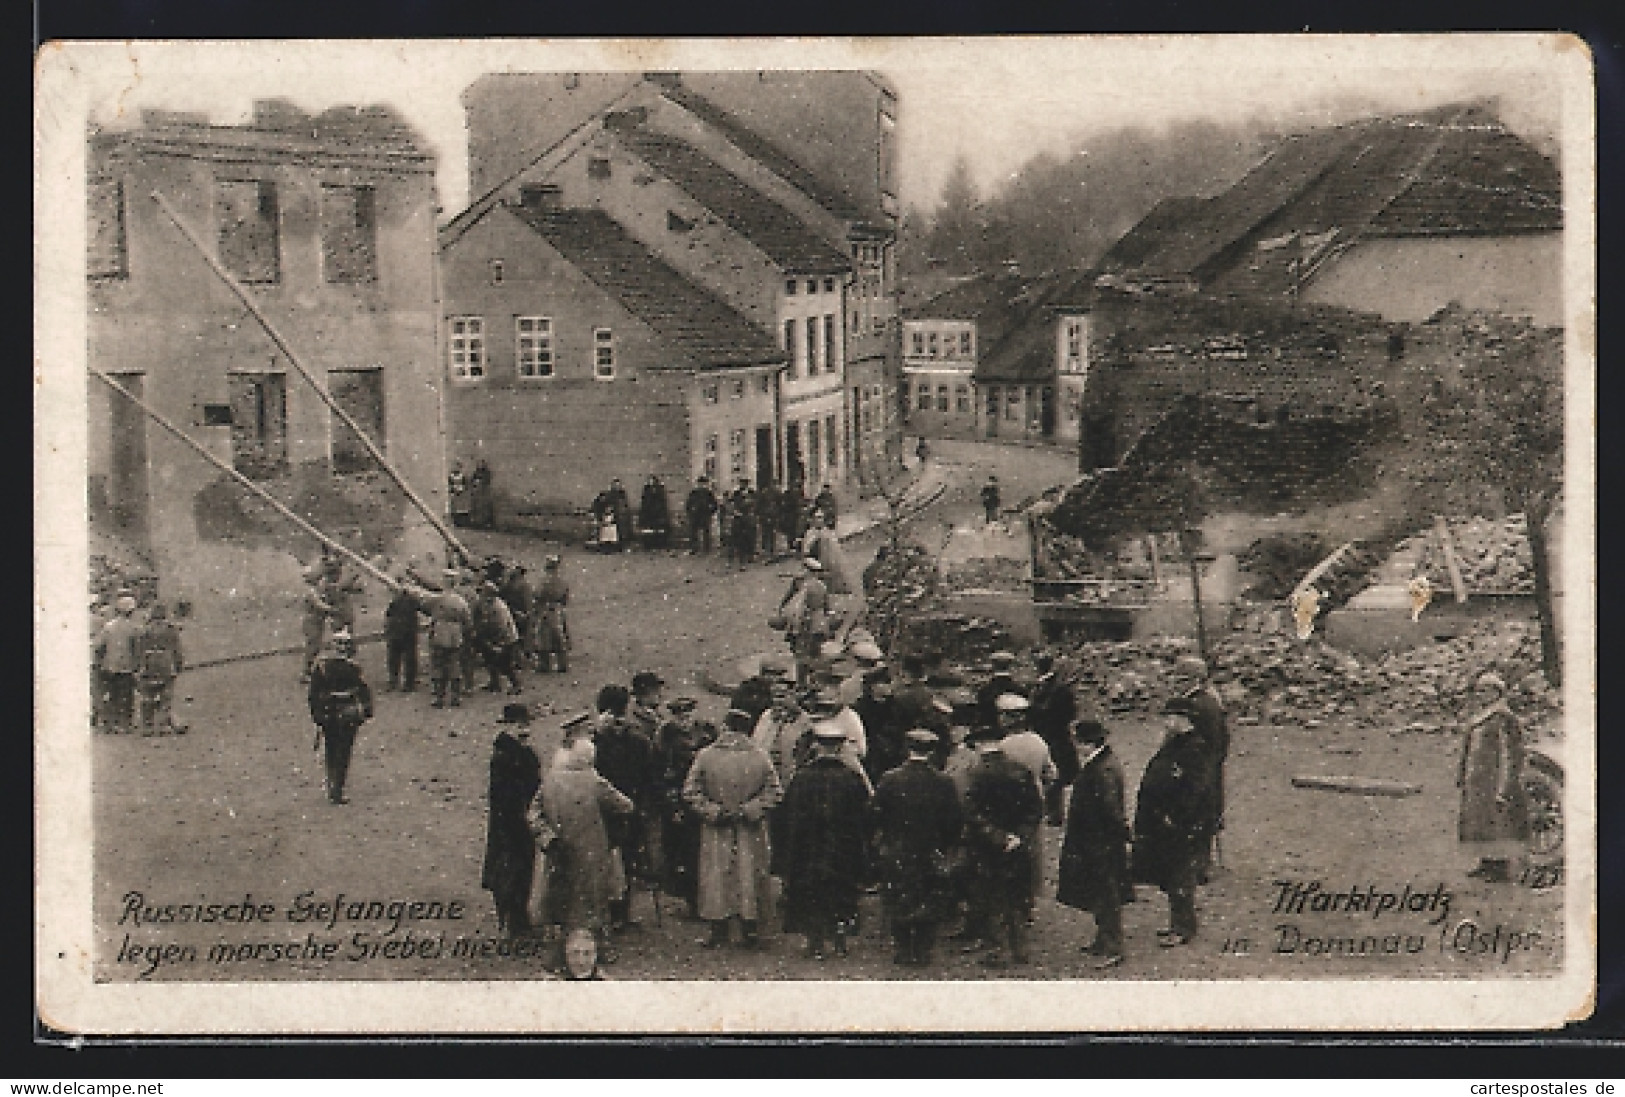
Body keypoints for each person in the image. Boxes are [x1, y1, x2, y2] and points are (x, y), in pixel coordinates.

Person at [683, 708, 782, 949]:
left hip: (717, 828)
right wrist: (750, 809)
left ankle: (719, 931)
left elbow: (690, 791)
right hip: (751, 828)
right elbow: (775, 791)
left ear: (725, 726)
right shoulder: (760, 756)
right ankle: (750, 930)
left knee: (717, 877)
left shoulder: (706, 756)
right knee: (749, 877)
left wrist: (713, 811)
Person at [1132, 696, 1223, 946]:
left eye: (1170, 717)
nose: (1166, 722)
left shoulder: (1194, 749)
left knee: (1180, 876)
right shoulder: (1176, 744)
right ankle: (1179, 924)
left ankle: (1183, 928)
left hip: (1181, 825)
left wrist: (1175, 817)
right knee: (1172, 874)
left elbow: (1196, 790)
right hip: (1166, 822)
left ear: (1184, 720)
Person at [535, 736, 635, 963]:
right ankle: (597, 948)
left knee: (562, 899)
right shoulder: (594, 781)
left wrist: (547, 838)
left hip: (558, 851)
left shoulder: (550, 780)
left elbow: (534, 814)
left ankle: (561, 948)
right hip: (591, 852)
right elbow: (625, 805)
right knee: (594, 901)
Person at [777, 724, 873, 960]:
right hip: (842, 849)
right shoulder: (852, 779)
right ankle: (840, 941)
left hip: (808, 849)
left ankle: (815, 941)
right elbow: (866, 815)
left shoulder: (801, 778)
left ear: (817, 746)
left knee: (811, 892)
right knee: (841, 892)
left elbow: (785, 815)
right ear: (840, 747)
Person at [870, 728, 963, 967]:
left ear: (907, 748)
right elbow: (953, 820)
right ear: (931, 752)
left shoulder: (890, 779)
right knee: (929, 897)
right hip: (930, 849)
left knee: (899, 895)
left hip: (898, 847)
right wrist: (945, 845)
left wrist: (883, 839)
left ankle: (903, 949)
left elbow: (875, 814)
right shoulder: (944, 782)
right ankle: (923, 949)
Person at [962, 719, 1044, 966]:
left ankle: (997, 951)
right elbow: (1035, 808)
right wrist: (1019, 836)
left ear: (978, 745)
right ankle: (1021, 950)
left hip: (988, 846)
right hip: (1018, 845)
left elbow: (972, 813)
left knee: (991, 897)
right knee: (1017, 897)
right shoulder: (1020, 770)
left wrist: (997, 836)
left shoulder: (974, 774)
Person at [1056, 718, 1131, 968]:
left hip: (1100, 844)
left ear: (1085, 743)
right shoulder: (1100, 764)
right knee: (1101, 893)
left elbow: (1110, 812)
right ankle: (1103, 939)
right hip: (1096, 842)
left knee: (1107, 895)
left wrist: (1114, 838)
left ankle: (1113, 946)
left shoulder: (1102, 770)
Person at [1457, 672, 1530, 883]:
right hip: (1478, 780)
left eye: (1485, 690)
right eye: (1479, 691)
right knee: (1480, 823)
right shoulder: (1481, 717)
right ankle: (1485, 863)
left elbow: (1511, 753)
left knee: (1498, 823)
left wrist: (1504, 785)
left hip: (1494, 779)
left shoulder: (1503, 717)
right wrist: (1463, 774)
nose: (1480, 695)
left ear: (1496, 692)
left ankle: (1500, 868)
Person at [592, 684, 652, 932]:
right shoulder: (638, 739)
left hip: (602, 809)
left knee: (604, 859)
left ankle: (607, 911)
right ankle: (622, 913)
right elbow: (649, 775)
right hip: (631, 805)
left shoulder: (594, 742)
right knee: (628, 858)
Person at [482, 704, 543, 939]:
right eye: (519, 725)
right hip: (510, 824)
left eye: (526, 724)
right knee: (511, 871)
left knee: (521, 869)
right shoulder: (505, 757)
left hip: (518, 821)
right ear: (508, 726)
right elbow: (506, 795)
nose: (524, 729)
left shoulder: (519, 752)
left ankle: (518, 917)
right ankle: (513, 920)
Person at [991, 693, 1058, 901]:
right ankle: (1030, 896)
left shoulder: (1003, 747)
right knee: (1033, 851)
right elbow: (1052, 775)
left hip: (1008, 806)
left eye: (1003, 715)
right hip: (1035, 804)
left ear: (1012, 719)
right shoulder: (1038, 742)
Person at [654, 702, 713, 917]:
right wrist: (672, 806)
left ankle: (699, 903)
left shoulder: (705, 734)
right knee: (681, 855)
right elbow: (664, 776)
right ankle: (690, 902)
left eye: (688, 715)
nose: (685, 720)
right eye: (681, 716)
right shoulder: (667, 739)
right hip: (679, 803)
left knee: (695, 855)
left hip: (695, 802)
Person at [307, 630, 373, 805]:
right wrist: (318, 715)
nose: (341, 649)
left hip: (342, 713)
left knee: (341, 751)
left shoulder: (349, 667)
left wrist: (366, 710)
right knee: (336, 750)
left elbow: (363, 690)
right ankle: (335, 786)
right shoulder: (325, 667)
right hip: (335, 713)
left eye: (345, 645)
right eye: (339, 644)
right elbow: (314, 694)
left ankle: (336, 786)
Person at [1029, 653, 1081, 821]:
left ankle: (1053, 811)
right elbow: (1071, 713)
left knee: (1050, 773)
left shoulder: (1038, 687)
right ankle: (1055, 811)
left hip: (1046, 734)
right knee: (1056, 773)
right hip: (1058, 735)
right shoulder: (1060, 688)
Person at [93, 590, 143, 732]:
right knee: (126, 696)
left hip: (109, 666)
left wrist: (102, 659)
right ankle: (125, 724)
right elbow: (137, 649)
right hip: (127, 666)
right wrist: (137, 665)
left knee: (111, 694)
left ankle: (110, 723)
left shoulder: (109, 626)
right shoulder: (134, 628)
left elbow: (98, 646)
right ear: (131, 611)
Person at [425, 570, 474, 708]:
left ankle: (439, 698)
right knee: (454, 666)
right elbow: (467, 621)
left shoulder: (438, 599)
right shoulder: (461, 601)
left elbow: (427, 608)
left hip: (440, 633)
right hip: (455, 635)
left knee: (438, 666)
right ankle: (455, 697)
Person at [134, 602, 185, 735]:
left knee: (148, 696)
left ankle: (147, 726)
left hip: (149, 663)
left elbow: (139, 649)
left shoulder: (144, 630)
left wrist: (139, 666)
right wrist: (179, 665)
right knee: (166, 696)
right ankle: (162, 725)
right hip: (166, 664)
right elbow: (177, 649)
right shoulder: (170, 629)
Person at [780, 557, 831, 687]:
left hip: (804, 623)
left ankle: (802, 683)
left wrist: (783, 611)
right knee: (815, 654)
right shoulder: (822, 586)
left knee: (801, 654)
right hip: (820, 624)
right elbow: (827, 607)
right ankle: (815, 682)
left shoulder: (800, 583)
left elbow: (789, 601)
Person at [472, 581, 523, 695]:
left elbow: (501, 626)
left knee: (505, 663)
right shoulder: (488, 604)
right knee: (490, 659)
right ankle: (494, 683)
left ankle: (516, 685)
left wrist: (495, 642)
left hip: (506, 638)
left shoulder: (498, 607)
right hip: (496, 637)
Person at [531, 556, 570, 673]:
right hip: (558, 609)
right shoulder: (562, 581)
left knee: (544, 638)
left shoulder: (544, 581)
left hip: (545, 610)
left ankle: (545, 665)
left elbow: (537, 594)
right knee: (560, 637)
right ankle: (562, 664)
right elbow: (565, 598)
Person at [383, 583, 421, 692]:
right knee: (409, 658)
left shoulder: (394, 601)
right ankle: (409, 684)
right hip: (408, 633)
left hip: (395, 632)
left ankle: (393, 681)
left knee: (393, 658)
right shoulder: (413, 600)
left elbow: (388, 614)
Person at [975, 651, 1028, 729]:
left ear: (993, 666)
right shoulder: (1020, 690)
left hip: (991, 732)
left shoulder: (985, 691)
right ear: (1010, 666)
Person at [299, 570, 334, 684]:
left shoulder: (320, 592)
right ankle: (306, 672)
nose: (324, 583)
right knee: (312, 647)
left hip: (318, 621)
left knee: (317, 647)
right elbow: (319, 605)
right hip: (311, 621)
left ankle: (311, 671)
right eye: (321, 580)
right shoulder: (312, 592)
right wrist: (332, 609)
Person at [500, 564, 533, 668]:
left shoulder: (509, 585)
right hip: (519, 613)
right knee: (521, 637)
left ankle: (518, 659)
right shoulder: (524, 585)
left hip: (513, 613)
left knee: (515, 637)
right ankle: (521, 659)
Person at [684, 476, 719, 554]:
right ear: (698, 484)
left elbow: (714, 505)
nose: (702, 485)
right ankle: (694, 548)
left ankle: (706, 549)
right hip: (695, 515)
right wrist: (691, 511)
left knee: (706, 532)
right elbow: (688, 504)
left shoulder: (709, 494)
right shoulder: (694, 493)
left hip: (705, 515)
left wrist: (710, 511)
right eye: (700, 483)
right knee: (693, 532)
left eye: (704, 484)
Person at [639, 474, 672, 549]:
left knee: (658, 529)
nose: (651, 482)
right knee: (649, 530)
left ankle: (658, 544)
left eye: (652, 481)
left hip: (658, 513)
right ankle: (649, 544)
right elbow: (644, 502)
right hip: (648, 513)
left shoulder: (659, 490)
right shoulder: (646, 491)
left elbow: (662, 502)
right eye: (650, 481)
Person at [778, 481, 807, 556]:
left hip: (795, 516)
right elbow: (785, 505)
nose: (796, 489)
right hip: (791, 516)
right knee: (792, 532)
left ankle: (795, 547)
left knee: (797, 532)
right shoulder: (789, 494)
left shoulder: (799, 493)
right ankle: (792, 546)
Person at [756, 481, 782, 560]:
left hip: (772, 515)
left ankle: (770, 549)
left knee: (771, 533)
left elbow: (779, 504)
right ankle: (766, 549)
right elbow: (759, 505)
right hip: (766, 515)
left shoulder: (777, 494)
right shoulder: (765, 494)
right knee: (766, 532)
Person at [469, 459, 496, 530]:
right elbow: (472, 480)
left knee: (486, 506)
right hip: (477, 491)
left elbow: (487, 481)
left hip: (484, 491)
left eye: (482, 464)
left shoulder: (487, 473)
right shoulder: (476, 473)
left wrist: (481, 482)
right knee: (476, 505)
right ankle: (476, 522)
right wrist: (475, 484)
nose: (480, 465)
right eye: (479, 464)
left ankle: (487, 522)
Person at [447, 461, 472, 528]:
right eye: (455, 467)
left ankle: (462, 523)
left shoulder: (462, 476)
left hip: (461, 493)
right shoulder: (451, 476)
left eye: (458, 467)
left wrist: (461, 489)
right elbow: (450, 484)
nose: (456, 468)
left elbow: (465, 484)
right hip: (454, 493)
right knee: (454, 508)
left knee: (461, 508)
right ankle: (454, 522)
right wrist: (452, 490)